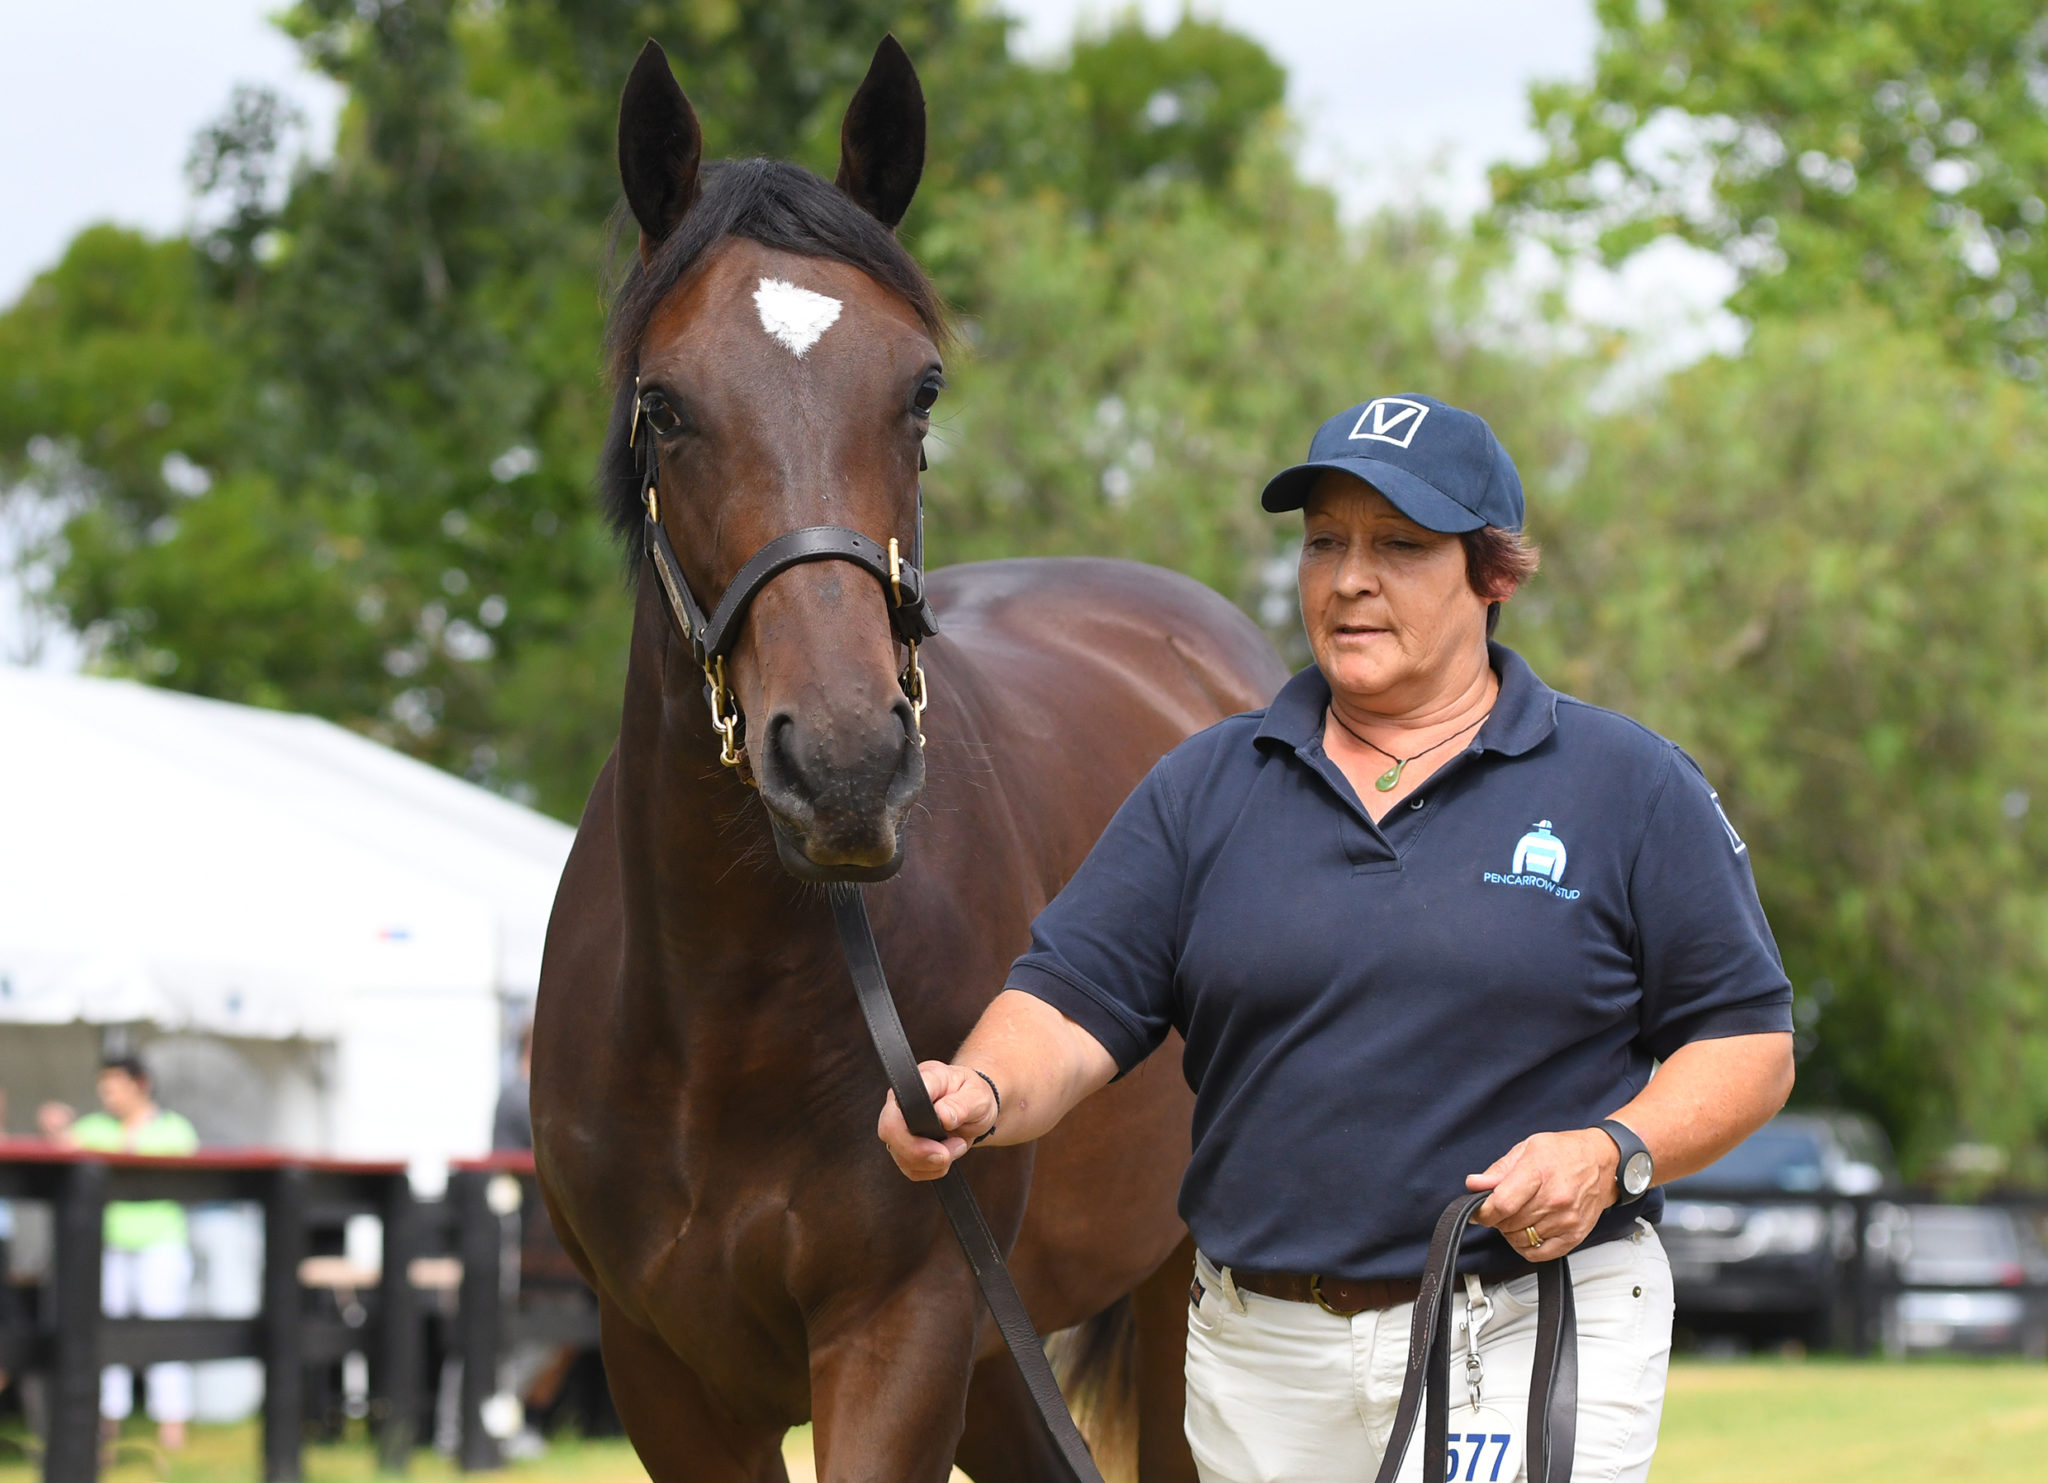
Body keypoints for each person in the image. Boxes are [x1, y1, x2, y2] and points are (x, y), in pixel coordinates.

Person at [877, 394, 1796, 1482]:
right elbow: (1070, 1001)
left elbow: (1747, 1045)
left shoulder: (1626, 785)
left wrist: (1608, 1151)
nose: (1350, 576)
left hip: (1519, 1320)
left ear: (1491, 574)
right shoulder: (1205, 786)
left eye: (1398, 545)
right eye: (1325, 541)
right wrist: (981, 1088)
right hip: (1259, 1353)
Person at [40, 1054, 200, 1451]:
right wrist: (56, 1130)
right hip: (108, 1244)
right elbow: (66, 1153)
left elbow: (170, 1163)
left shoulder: (175, 1129)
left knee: (164, 1331)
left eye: (113, 1086)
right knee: (104, 1331)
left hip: (161, 1244)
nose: (106, 1095)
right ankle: (107, 1423)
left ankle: (172, 1426)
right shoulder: (93, 1127)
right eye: (103, 1088)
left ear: (139, 1084)